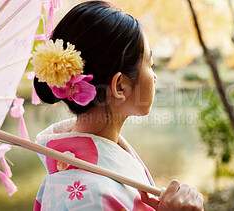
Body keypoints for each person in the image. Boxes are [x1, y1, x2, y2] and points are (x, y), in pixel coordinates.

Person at [31, 1, 204, 210]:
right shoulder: (87, 194)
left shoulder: (89, 175)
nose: (155, 76)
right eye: (150, 64)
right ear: (120, 86)